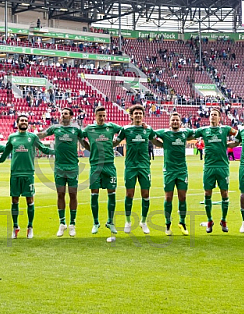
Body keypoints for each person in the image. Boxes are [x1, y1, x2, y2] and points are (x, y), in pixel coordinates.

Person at [0, 114, 54, 238]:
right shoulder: (12, 137)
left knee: (30, 200)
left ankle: (30, 226)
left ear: (28, 123)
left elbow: (44, 149)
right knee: (14, 200)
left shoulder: (33, 137)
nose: (24, 122)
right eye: (21, 120)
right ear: (17, 123)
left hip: (28, 173)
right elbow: (5, 154)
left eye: (25, 121)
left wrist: (58, 152)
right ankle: (15, 226)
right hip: (15, 173)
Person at [38, 107, 83, 237]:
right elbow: (43, 134)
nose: (63, 115)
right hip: (59, 167)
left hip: (73, 166)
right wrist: (27, 135)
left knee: (73, 195)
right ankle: (62, 223)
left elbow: (85, 139)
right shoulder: (55, 128)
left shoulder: (76, 130)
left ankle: (72, 224)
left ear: (71, 116)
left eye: (66, 114)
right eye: (62, 113)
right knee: (60, 194)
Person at [81, 106, 123, 242]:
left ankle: (110, 221)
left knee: (112, 193)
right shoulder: (89, 129)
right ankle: (96, 222)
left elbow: (124, 131)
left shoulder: (111, 127)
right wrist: (88, 147)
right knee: (94, 194)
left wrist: (116, 142)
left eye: (104, 115)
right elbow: (80, 137)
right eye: (100, 116)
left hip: (109, 165)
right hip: (95, 165)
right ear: (95, 116)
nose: (102, 118)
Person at [114, 104, 157, 235]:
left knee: (145, 195)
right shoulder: (126, 129)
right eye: (135, 113)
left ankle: (143, 222)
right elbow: (116, 142)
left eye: (140, 113)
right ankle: (128, 221)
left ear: (143, 115)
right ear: (131, 115)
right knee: (129, 194)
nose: (138, 115)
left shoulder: (148, 129)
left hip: (144, 166)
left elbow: (157, 139)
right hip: (131, 166)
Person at [153, 112, 196, 235]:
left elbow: (197, 133)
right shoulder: (164, 133)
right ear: (169, 122)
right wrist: (161, 144)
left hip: (182, 170)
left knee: (183, 197)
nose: (175, 122)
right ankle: (167, 224)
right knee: (168, 198)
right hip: (169, 171)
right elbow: (152, 135)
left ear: (180, 122)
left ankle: (182, 222)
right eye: (173, 120)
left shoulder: (185, 133)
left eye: (177, 120)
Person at [195, 109, 237, 233]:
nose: (213, 116)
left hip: (222, 166)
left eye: (215, 115)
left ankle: (223, 220)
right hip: (209, 166)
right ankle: (209, 220)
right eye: (211, 115)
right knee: (207, 194)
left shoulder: (225, 129)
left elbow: (239, 135)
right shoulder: (203, 130)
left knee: (224, 193)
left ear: (220, 118)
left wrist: (230, 144)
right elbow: (189, 134)